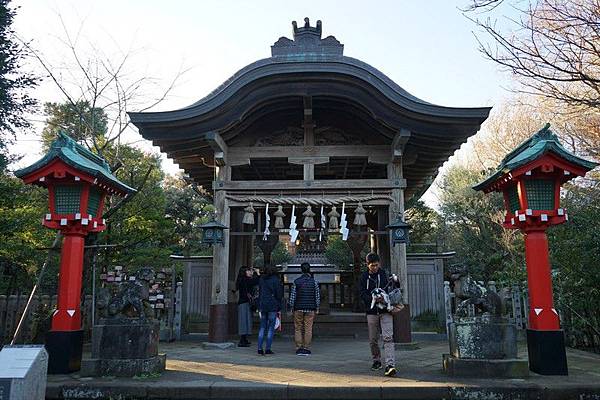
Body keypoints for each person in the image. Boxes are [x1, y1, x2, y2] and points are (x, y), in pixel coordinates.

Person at [359, 252, 400, 377]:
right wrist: (372, 298)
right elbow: (362, 293)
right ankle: (376, 360)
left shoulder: (384, 274)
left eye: (376, 265)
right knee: (373, 339)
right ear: (367, 265)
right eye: (372, 266)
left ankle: (390, 364)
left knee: (388, 337)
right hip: (372, 311)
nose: (375, 268)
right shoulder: (364, 277)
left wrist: (396, 281)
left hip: (385, 310)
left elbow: (395, 289)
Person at [288, 262, 320, 356]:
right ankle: (306, 347)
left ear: (301, 270)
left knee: (298, 328)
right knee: (308, 328)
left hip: (298, 308)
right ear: (309, 270)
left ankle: (298, 347)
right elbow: (317, 296)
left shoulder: (296, 282)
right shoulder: (314, 282)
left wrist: (291, 307)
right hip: (310, 308)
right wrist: (317, 307)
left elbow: (293, 297)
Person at [257, 264, 283, 355]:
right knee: (271, 328)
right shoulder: (276, 280)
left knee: (262, 327)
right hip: (272, 305)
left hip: (263, 304)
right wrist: (279, 305)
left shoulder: (261, 279)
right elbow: (279, 294)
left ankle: (259, 348)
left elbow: (259, 292)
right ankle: (268, 348)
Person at [234, 266, 259, 347]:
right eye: (248, 270)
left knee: (244, 321)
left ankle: (244, 339)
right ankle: (242, 340)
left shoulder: (241, 280)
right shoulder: (245, 280)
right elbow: (256, 281)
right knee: (244, 321)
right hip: (244, 302)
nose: (250, 272)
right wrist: (257, 273)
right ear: (244, 272)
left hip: (243, 302)